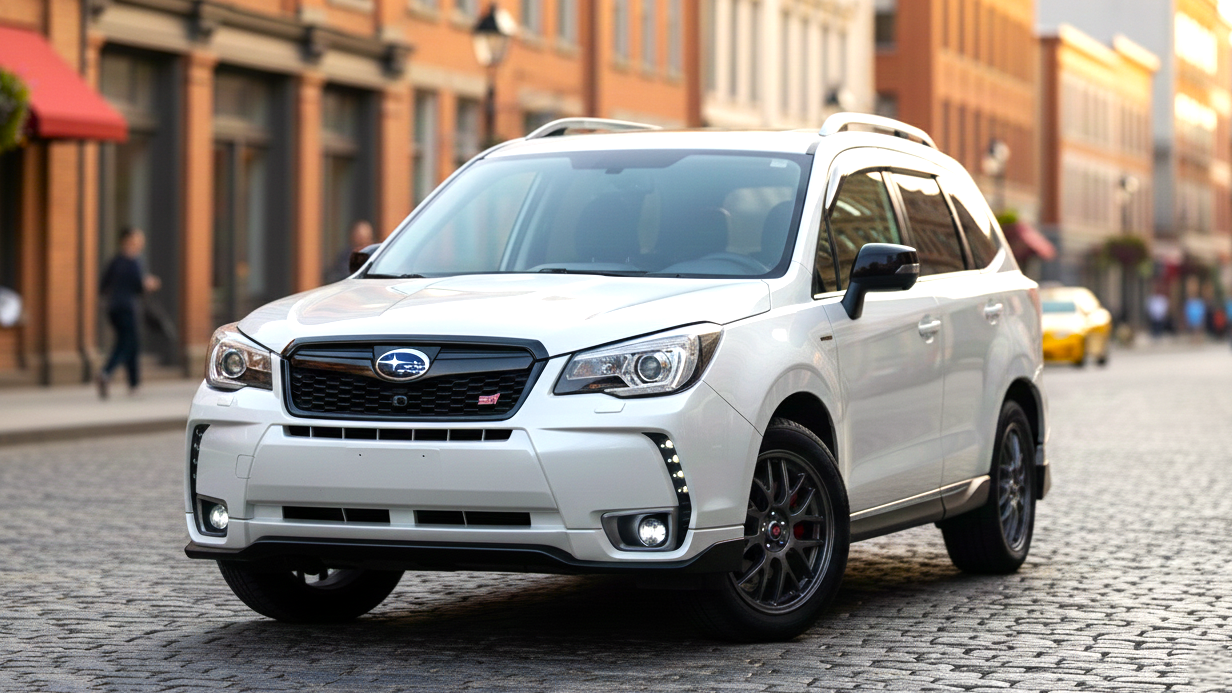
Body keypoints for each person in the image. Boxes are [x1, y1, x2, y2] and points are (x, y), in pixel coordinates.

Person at [97, 227, 160, 398]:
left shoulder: (115, 261)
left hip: (114, 309)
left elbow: (103, 286)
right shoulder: (133, 262)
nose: (140, 244)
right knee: (126, 344)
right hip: (127, 308)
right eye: (137, 240)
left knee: (131, 344)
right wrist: (149, 283)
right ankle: (106, 372)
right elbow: (139, 286)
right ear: (128, 241)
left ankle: (134, 384)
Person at [326, 220, 375, 284]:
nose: (360, 239)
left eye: (363, 237)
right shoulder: (345, 255)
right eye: (358, 236)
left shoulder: (376, 254)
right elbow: (336, 274)